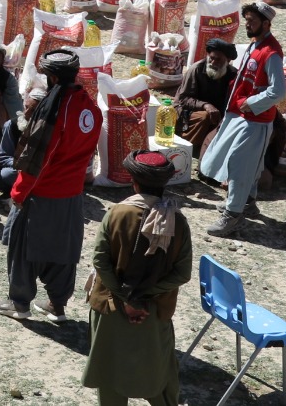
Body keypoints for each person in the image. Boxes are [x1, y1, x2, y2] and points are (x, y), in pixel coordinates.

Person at [0, 50, 102, 322]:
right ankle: (57, 304)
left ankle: (19, 303)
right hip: (72, 194)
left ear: (53, 77)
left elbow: (39, 157)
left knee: (23, 248)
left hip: (42, 193)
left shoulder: (55, 110)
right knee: (63, 251)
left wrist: (19, 192)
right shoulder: (90, 107)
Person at [82, 151, 194, 406]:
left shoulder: (117, 213)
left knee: (110, 376)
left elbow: (100, 262)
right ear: (164, 183)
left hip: (111, 308)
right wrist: (143, 297)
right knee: (158, 377)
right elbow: (182, 273)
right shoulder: (178, 221)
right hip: (153, 313)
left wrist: (127, 298)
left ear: (134, 182)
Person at [198, 2, 284, 238]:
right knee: (250, 162)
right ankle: (248, 202)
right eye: (246, 20)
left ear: (266, 23)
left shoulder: (272, 53)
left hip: (255, 118)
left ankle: (233, 214)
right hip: (240, 114)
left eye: (252, 21)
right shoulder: (255, 45)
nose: (247, 24)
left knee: (239, 163)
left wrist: (253, 103)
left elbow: (279, 92)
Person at [176, 40, 238, 160]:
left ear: (228, 61)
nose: (213, 62)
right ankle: (188, 149)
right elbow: (183, 99)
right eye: (211, 58)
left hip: (217, 113)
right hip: (186, 111)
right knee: (205, 117)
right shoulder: (196, 69)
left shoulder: (233, 74)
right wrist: (205, 105)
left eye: (218, 59)